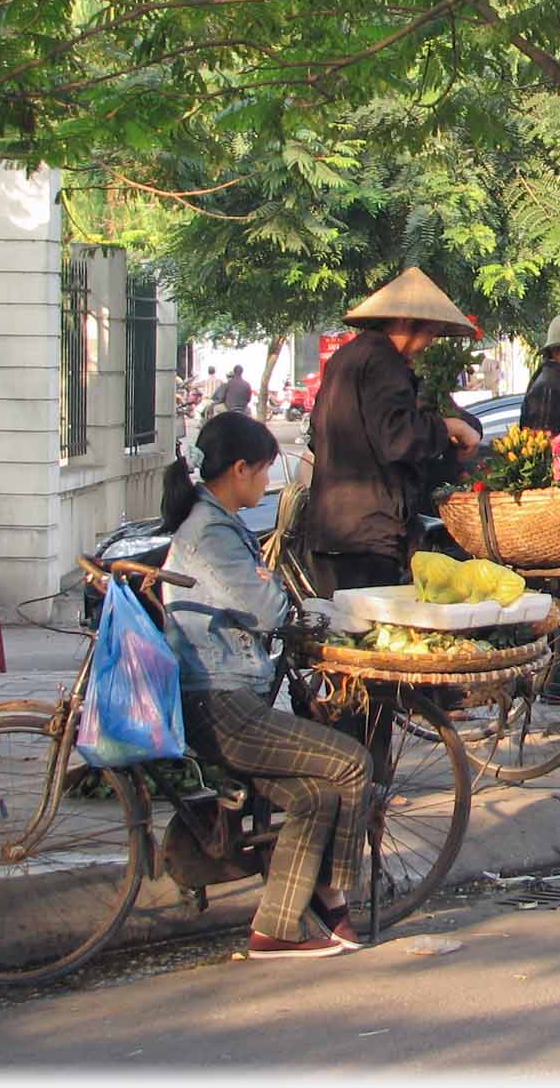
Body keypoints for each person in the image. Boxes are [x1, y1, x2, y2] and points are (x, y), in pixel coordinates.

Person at [160, 411, 372, 959]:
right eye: (261, 472)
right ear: (238, 470)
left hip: (229, 695)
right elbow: (265, 606)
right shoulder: (211, 532)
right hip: (218, 702)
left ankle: (276, 927)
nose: (265, 484)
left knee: (314, 794)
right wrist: (277, 593)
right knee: (352, 763)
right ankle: (334, 896)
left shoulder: (222, 524)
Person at [302, 268, 481, 597]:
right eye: (430, 332)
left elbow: (317, 436)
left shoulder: (346, 357)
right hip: (369, 532)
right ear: (403, 322)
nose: (428, 344)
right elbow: (397, 437)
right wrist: (448, 427)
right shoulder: (384, 361)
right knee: (370, 638)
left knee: (344, 633)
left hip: (331, 529)